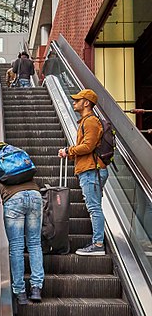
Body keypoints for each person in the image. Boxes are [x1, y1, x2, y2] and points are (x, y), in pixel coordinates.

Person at [0, 139, 44, 305]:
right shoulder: (13, 149)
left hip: (14, 200)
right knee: (34, 244)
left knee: (17, 246)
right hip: (35, 195)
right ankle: (36, 288)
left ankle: (20, 292)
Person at [58, 88, 108, 255]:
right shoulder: (85, 121)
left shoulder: (91, 121)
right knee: (93, 207)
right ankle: (97, 241)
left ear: (86, 103)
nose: (74, 102)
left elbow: (88, 146)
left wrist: (68, 151)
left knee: (94, 208)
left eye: (77, 100)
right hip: (89, 169)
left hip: (92, 170)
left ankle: (98, 245)